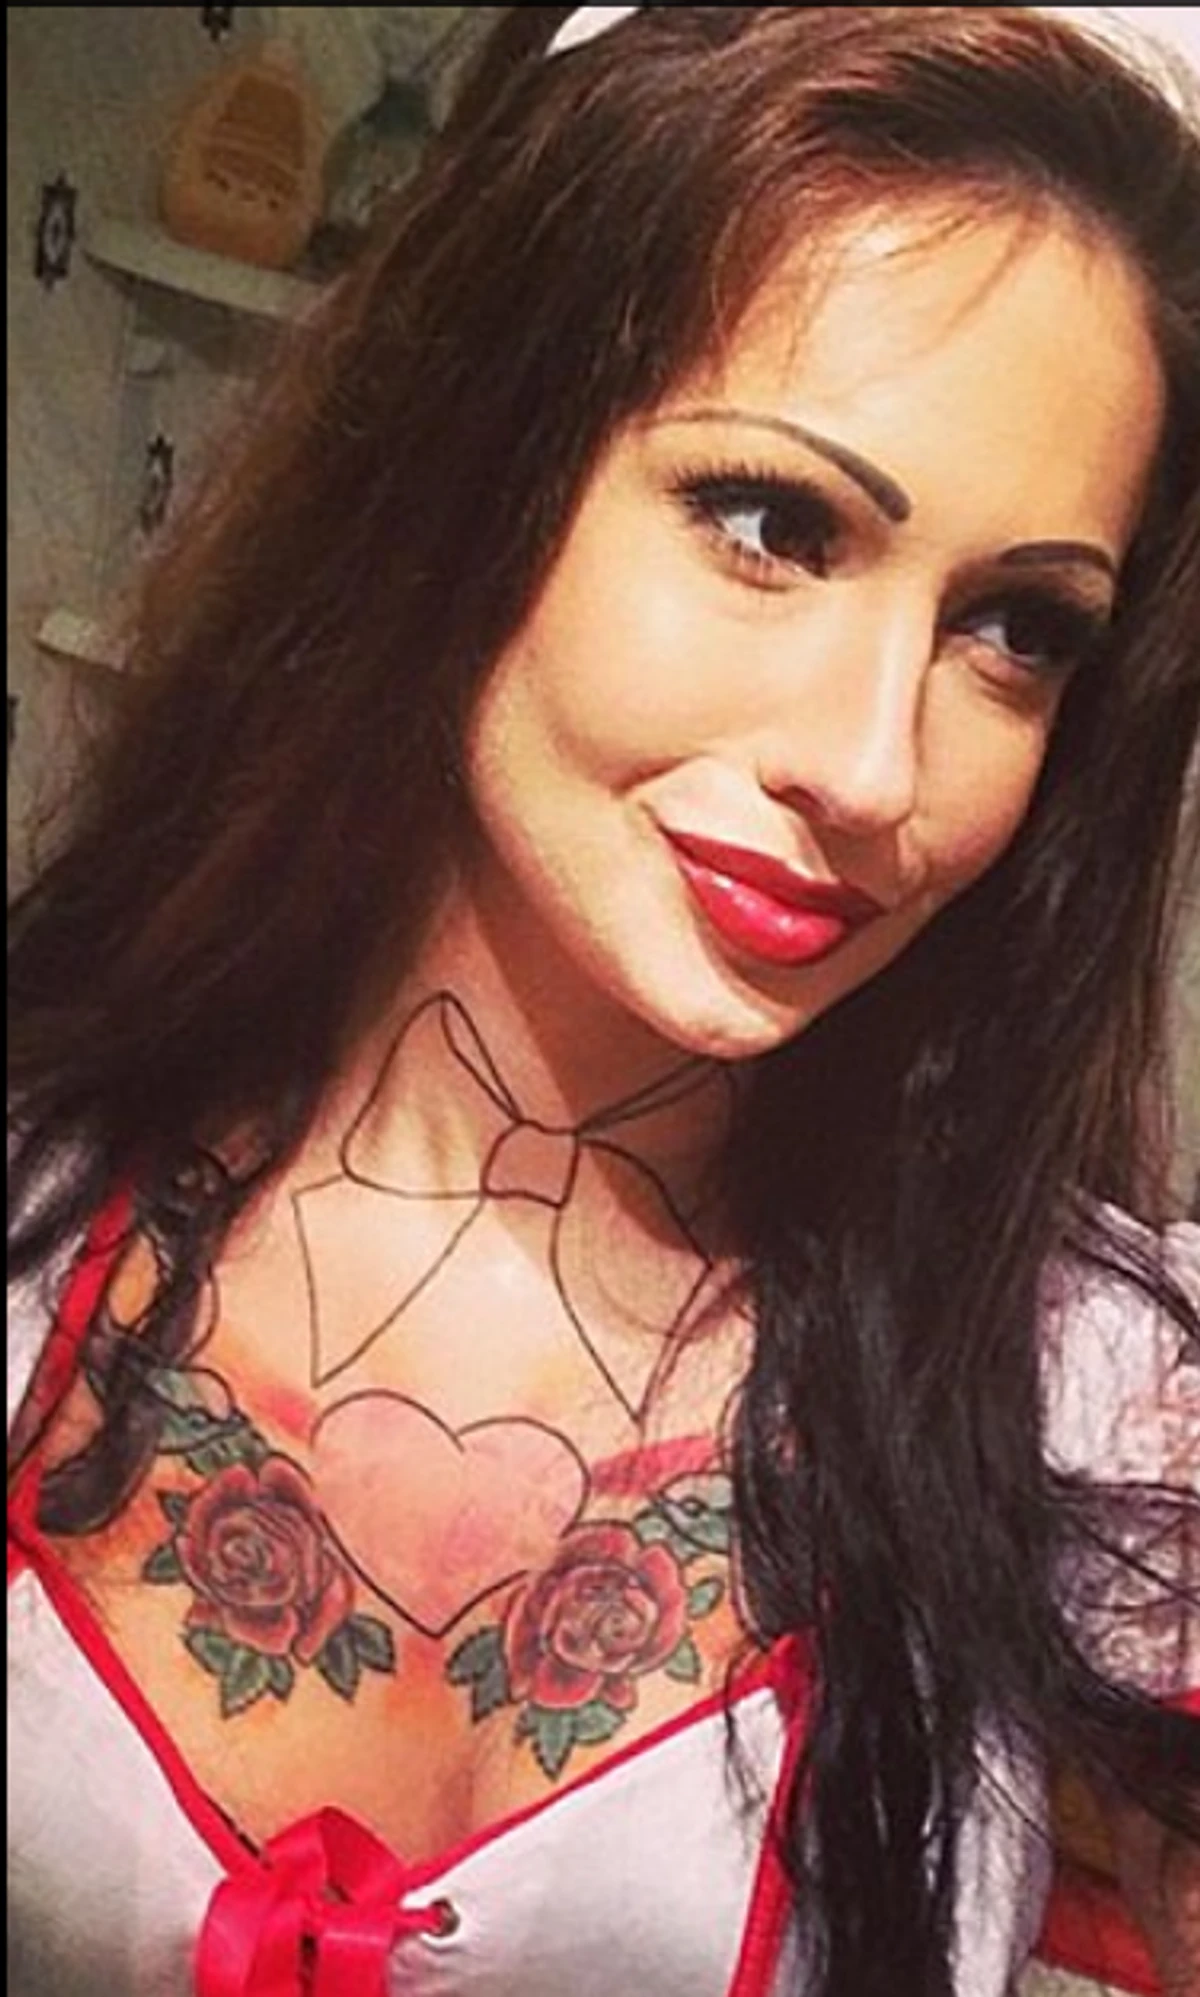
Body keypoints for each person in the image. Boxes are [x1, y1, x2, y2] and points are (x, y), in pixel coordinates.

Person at [8, 7, 1199, 1995]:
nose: (876, 765)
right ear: (473, 461)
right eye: (775, 524)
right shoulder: (40, 1194)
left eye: (1014, 630)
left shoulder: (1080, 1386)